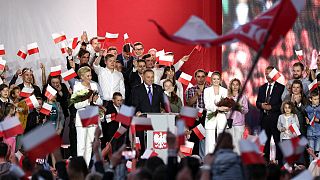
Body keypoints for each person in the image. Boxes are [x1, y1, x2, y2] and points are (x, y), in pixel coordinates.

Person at [73, 66, 103, 166]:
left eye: (90, 75)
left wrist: (96, 100)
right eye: (87, 76)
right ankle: (80, 168)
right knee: (81, 145)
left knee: (90, 144)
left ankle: (86, 166)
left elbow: (100, 101)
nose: (90, 78)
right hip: (82, 115)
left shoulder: (94, 85)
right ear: (81, 76)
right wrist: (88, 101)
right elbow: (76, 105)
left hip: (92, 115)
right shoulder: (78, 87)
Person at [256, 66, 285, 164]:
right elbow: (257, 102)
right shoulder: (262, 88)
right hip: (264, 120)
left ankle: (279, 163)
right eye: (266, 73)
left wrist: (271, 107)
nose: (268, 75)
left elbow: (282, 104)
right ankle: (265, 163)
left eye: (270, 73)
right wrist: (261, 105)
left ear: (274, 73)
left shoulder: (281, 87)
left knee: (278, 142)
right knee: (265, 143)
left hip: (276, 120)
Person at [132, 69, 165, 152]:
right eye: (148, 77)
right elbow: (134, 104)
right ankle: (143, 160)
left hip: (156, 119)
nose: (150, 79)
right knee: (143, 143)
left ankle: (155, 159)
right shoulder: (137, 89)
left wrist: (165, 110)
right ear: (143, 77)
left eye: (152, 77)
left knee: (155, 142)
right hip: (142, 119)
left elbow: (164, 103)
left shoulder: (158, 88)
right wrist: (137, 111)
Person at [186, 69, 210, 158]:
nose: (201, 79)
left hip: (207, 116)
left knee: (205, 139)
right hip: (194, 117)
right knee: (194, 138)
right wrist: (196, 95)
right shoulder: (191, 89)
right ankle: (194, 159)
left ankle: (204, 160)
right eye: (198, 76)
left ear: (205, 77)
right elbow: (188, 103)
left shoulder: (210, 89)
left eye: (203, 76)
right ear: (195, 78)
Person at [204, 71, 229, 154]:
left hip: (221, 117)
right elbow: (207, 105)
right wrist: (218, 108)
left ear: (220, 80)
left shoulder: (225, 90)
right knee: (209, 139)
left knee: (221, 138)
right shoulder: (206, 90)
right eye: (214, 79)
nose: (216, 81)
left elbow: (226, 103)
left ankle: (222, 158)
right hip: (210, 116)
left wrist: (226, 108)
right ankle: (209, 159)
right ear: (211, 80)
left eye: (218, 79)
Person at [226, 78, 249, 154]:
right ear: (231, 86)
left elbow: (246, 110)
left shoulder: (243, 97)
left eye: (237, 84)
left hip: (239, 124)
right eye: (233, 84)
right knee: (230, 143)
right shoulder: (227, 97)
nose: (235, 86)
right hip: (229, 123)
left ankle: (238, 159)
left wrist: (239, 107)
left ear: (239, 86)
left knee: (238, 143)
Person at [305, 91, 320, 161]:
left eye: (318, 99)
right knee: (311, 152)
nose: (317, 101)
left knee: (317, 152)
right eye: (315, 99)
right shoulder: (307, 108)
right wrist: (306, 120)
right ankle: (311, 169)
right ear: (310, 99)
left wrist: (319, 120)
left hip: (319, 133)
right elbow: (304, 119)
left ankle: (317, 169)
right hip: (310, 133)